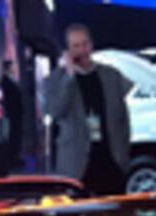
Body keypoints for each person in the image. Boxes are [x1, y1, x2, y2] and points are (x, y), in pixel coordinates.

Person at [44, 23, 133, 195]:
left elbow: (123, 118)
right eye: (76, 46)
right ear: (68, 50)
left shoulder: (110, 75)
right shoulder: (56, 79)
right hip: (76, 164)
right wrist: (69, 77)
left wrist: (123, 154)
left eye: (85, 44)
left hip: (110, 158)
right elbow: (55, 111)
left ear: (91, 45)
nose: (82, 51)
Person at [0, 59, 24, 167]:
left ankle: (16, 156)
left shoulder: (12, 80)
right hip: (12, 114)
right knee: (13, 135)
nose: (14, 68)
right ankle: (13, 158)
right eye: (12, 66)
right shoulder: (5, 81)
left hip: (17, 113)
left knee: (17, 135)